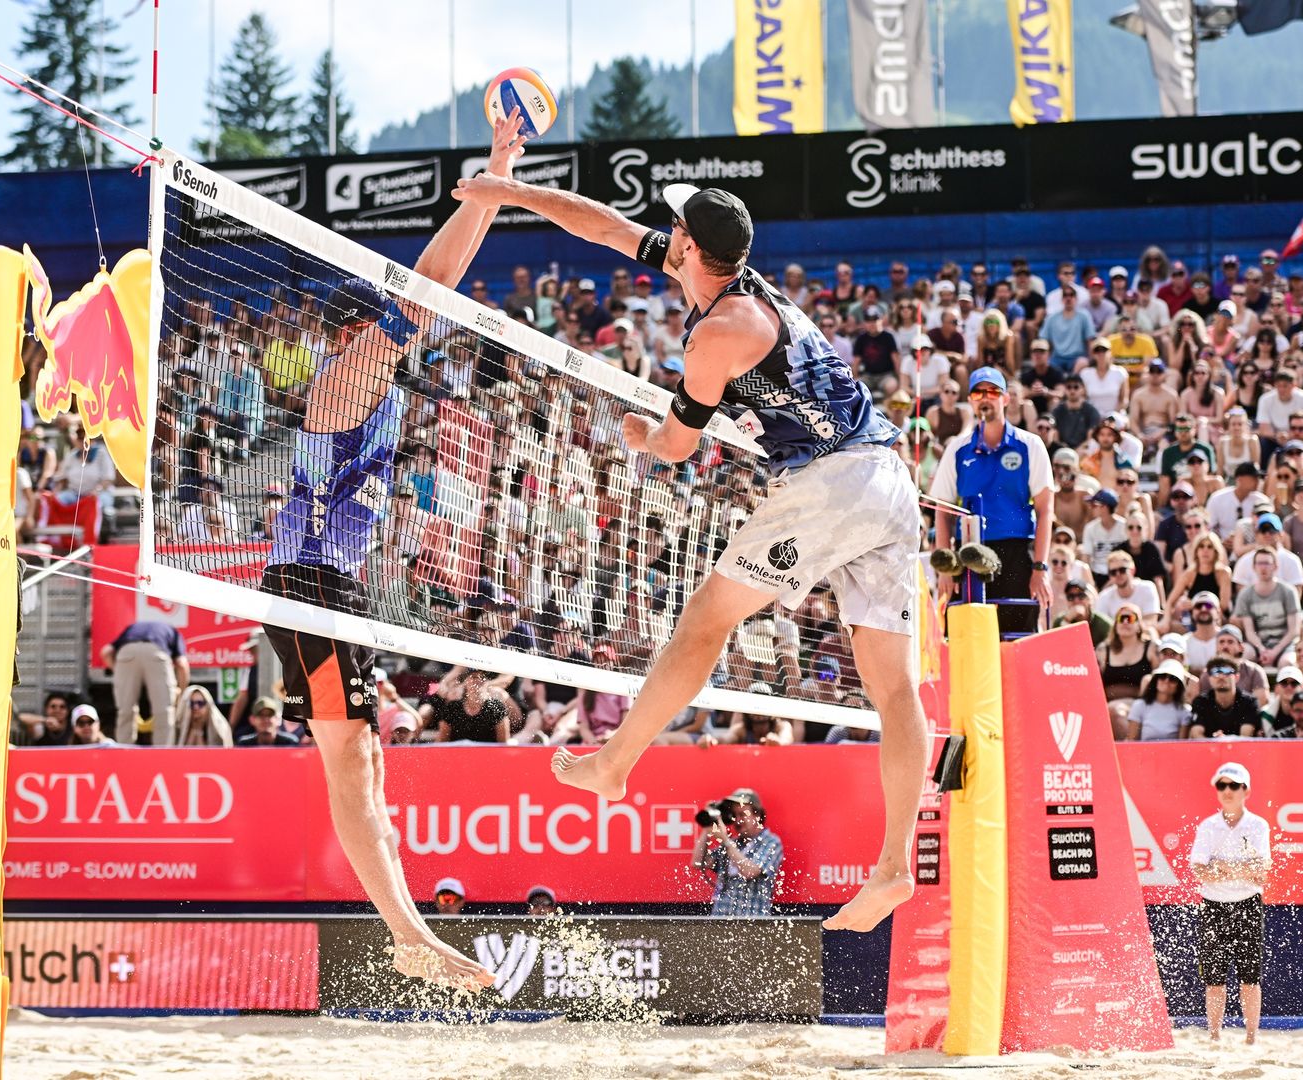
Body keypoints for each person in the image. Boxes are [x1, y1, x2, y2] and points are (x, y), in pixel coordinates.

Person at [457, 166, 924, 934]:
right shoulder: (716, 278)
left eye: (674, 227)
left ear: (691, 246)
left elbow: (677, 444)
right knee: (893, 689)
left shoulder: (722, 330)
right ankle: (893, 867)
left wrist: (648, 439)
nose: (663, 233)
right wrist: (511, 194)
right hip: (886, 478)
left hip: (835, 482)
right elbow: (604, 224)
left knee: (706, 619)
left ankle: (615, 763)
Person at [248, 114, 533, 989]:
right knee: (350, 763)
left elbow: (436, 293)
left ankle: (408, 930)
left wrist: (495, 182)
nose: (393, 330)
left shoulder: (366, 391)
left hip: (331, 590)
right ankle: (407, 934)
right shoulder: (340, 384)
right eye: (376, 323)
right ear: (353, 335)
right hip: (306, 587)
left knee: (365, 761)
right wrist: (491, 182)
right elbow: (433, 283)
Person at [929, 366, 1056, 635]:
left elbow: (1046, 511)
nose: (985, 398)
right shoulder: (958, 448)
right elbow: (942, 511)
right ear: (971, 401)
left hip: (1018, 552)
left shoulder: (1030, 445)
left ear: (1006, 399)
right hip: (970, 553)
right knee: (967, 638)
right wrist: (944, 570)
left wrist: (1040, 568)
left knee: (1017, 638)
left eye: (992, 392)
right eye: (977, 393)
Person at [1190, 761, 1270, 1045]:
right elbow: (1198, 869)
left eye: (1233, 785)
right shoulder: (1208, 826)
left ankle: (1251, 1038)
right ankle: (1214, 1036)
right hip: (1213, 905)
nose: (1227, 791)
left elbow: (1262, 868)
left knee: (1250, 977)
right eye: (1222, 785)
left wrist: (1221, 867)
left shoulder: (1258, 825)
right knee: (1214, 979)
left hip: (1248, 903)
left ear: (1246, 790)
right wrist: (1240, 869)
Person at [98, 619, 191, 746]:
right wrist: (182, 691)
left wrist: (119, 671)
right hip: (156, 653)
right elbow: (182, 664)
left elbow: (106, 652)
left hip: (126, 654)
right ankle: (163, 757)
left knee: (125, 711)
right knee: (163, 711)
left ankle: (124, 755)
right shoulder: (172, 631)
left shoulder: (130, 630)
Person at [691, 788, 783, 916]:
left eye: (742, 815)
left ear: (757, 815)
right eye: (734, 815)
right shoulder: (733, 843)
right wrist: (708, 827)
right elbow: (697, 862)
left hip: (753, 925)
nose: (738, 821)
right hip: (720, 923)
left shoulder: (771, 842)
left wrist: (725, 840)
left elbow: (750, 871)